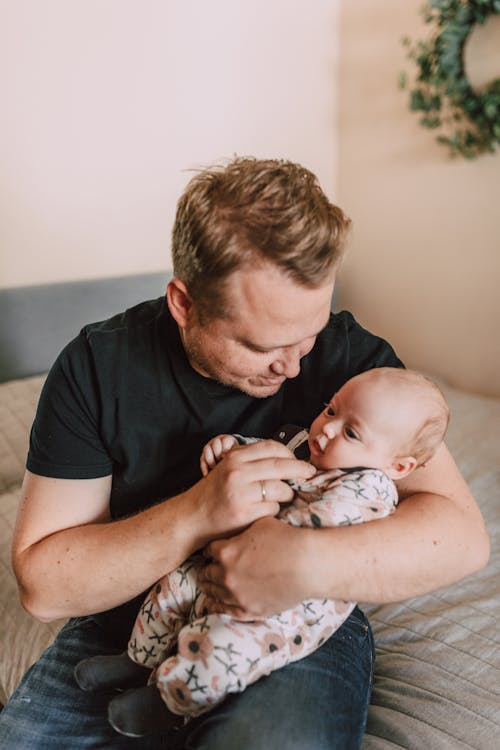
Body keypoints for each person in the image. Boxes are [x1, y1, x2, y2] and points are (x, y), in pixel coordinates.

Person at [0, 157, 488, 750]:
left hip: (287, 616)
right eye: (263, 345)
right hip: (129, 620)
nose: (295, 366)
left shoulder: (356, 365)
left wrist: (301, 564)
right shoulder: (97, 368)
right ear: (184, 302)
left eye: (308, 331)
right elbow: (45, 586)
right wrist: (199, 512)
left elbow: (460, 535)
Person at [73, 367, 450, 738]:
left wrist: (265, 509)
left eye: (351, 432)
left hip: (287, 606)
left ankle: (168, 702)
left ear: (398, 465)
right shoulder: (308, 446)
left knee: (226, 646)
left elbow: (310, 527)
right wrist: (233, 447)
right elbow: (267, 454)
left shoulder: (370, 488)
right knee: (174, 586)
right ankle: (139, 658)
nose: (328, 428)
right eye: (331, 409)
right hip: (227, 563)